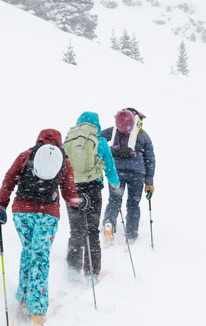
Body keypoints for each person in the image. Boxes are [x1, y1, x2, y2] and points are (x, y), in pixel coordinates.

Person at [0, 128, 85, 326]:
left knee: (28, 252)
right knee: (40, 257)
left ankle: (24, 297)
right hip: (48, 214)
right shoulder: (64, 161)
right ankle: (36, 309)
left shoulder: (26, 156)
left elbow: (9, 179)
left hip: (22, 211)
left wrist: (1, 204)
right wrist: (79, 203)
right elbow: (70, 194)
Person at [62, 112, 120, 278]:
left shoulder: (69, 140)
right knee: (92, 230)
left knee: (76, 229)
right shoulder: (100, 141)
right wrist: (115, 184)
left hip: (72, 189)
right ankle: (92, 273)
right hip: (93, 188)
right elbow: (110, 167)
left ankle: (73, 269)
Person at [101, 107, 156, 244]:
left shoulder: (113, 131)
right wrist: (149, 182)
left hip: (117, 171)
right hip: (137, 173)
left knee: (114, 199)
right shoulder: (142, 135)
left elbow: (98, 137)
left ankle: (109, 222)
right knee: (133, 203)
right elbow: (150, 159)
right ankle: (131, 233)